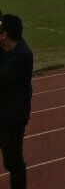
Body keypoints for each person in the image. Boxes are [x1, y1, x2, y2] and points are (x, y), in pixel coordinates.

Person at [0, 15, 33, 189]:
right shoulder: (6, 48)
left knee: (13, 161)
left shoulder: (22, 56)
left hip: (12, 117)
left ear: (4, 35)